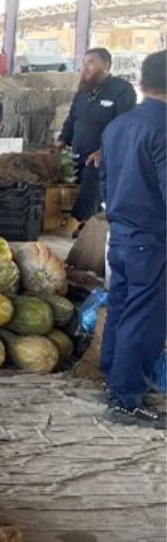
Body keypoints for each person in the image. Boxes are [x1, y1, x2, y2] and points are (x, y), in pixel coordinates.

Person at [96, 50, 167, 428]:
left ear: (142, 83)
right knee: (145, 317)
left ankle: (112, 377)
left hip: (120, 232)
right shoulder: (164, 127)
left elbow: (104, 182)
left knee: (122, 307)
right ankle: (126, 398)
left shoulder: (118, 126)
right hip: (152, 238)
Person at [55, 47, 138, 229]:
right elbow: (72, 119)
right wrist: (61, 141)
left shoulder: (122, 90)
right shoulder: (83, 92)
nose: (85, 68)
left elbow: (125, 127)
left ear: (106, 65)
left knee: (92, 178)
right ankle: (55, 221)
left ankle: (82, 223)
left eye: (91, 63)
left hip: (103, 156)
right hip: (77, 153)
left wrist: (104, 151)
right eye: (84, 63)